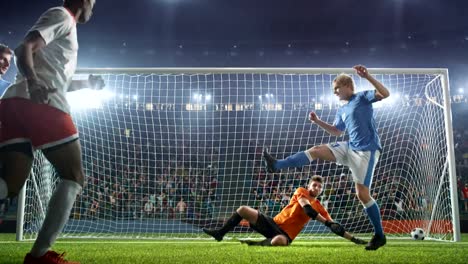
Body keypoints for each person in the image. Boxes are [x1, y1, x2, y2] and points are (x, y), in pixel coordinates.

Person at [0, 1, 102, 263]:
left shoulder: (65, 25)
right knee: (74, 176)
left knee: (10, 185)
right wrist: (34, 82)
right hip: (42, 105)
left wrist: (87, 83)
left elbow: (56, 81)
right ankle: (40, 256)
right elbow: (26, 48)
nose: (93, 7)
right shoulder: (62, 16)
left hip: (13, 103)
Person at [262, 65, 390, 250]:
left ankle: (379, 235)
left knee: (362, 195)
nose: (334, 92)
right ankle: (276, 165)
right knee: (315, 150)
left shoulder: (362, 97)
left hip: (366, 151)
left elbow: (385, 94)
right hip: (349, 146)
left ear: (346, 85)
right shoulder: (342, 109)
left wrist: (368, 76)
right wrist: (317, 121)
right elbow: (337, 132)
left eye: (336, 89)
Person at [203, 175, 367, 246]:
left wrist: (354, 239)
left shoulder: (321, 208)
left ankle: (257, 243)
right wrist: (327, 223)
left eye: (319, 187)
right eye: (314, 185)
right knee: (243, 209)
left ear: (321, 190)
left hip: (286, 235)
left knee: (278, 242)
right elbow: (308, 210)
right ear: (309, 185)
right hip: (273, 223)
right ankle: (220, 233)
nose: (316, 188)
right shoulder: (301, 191)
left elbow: (335, 227)